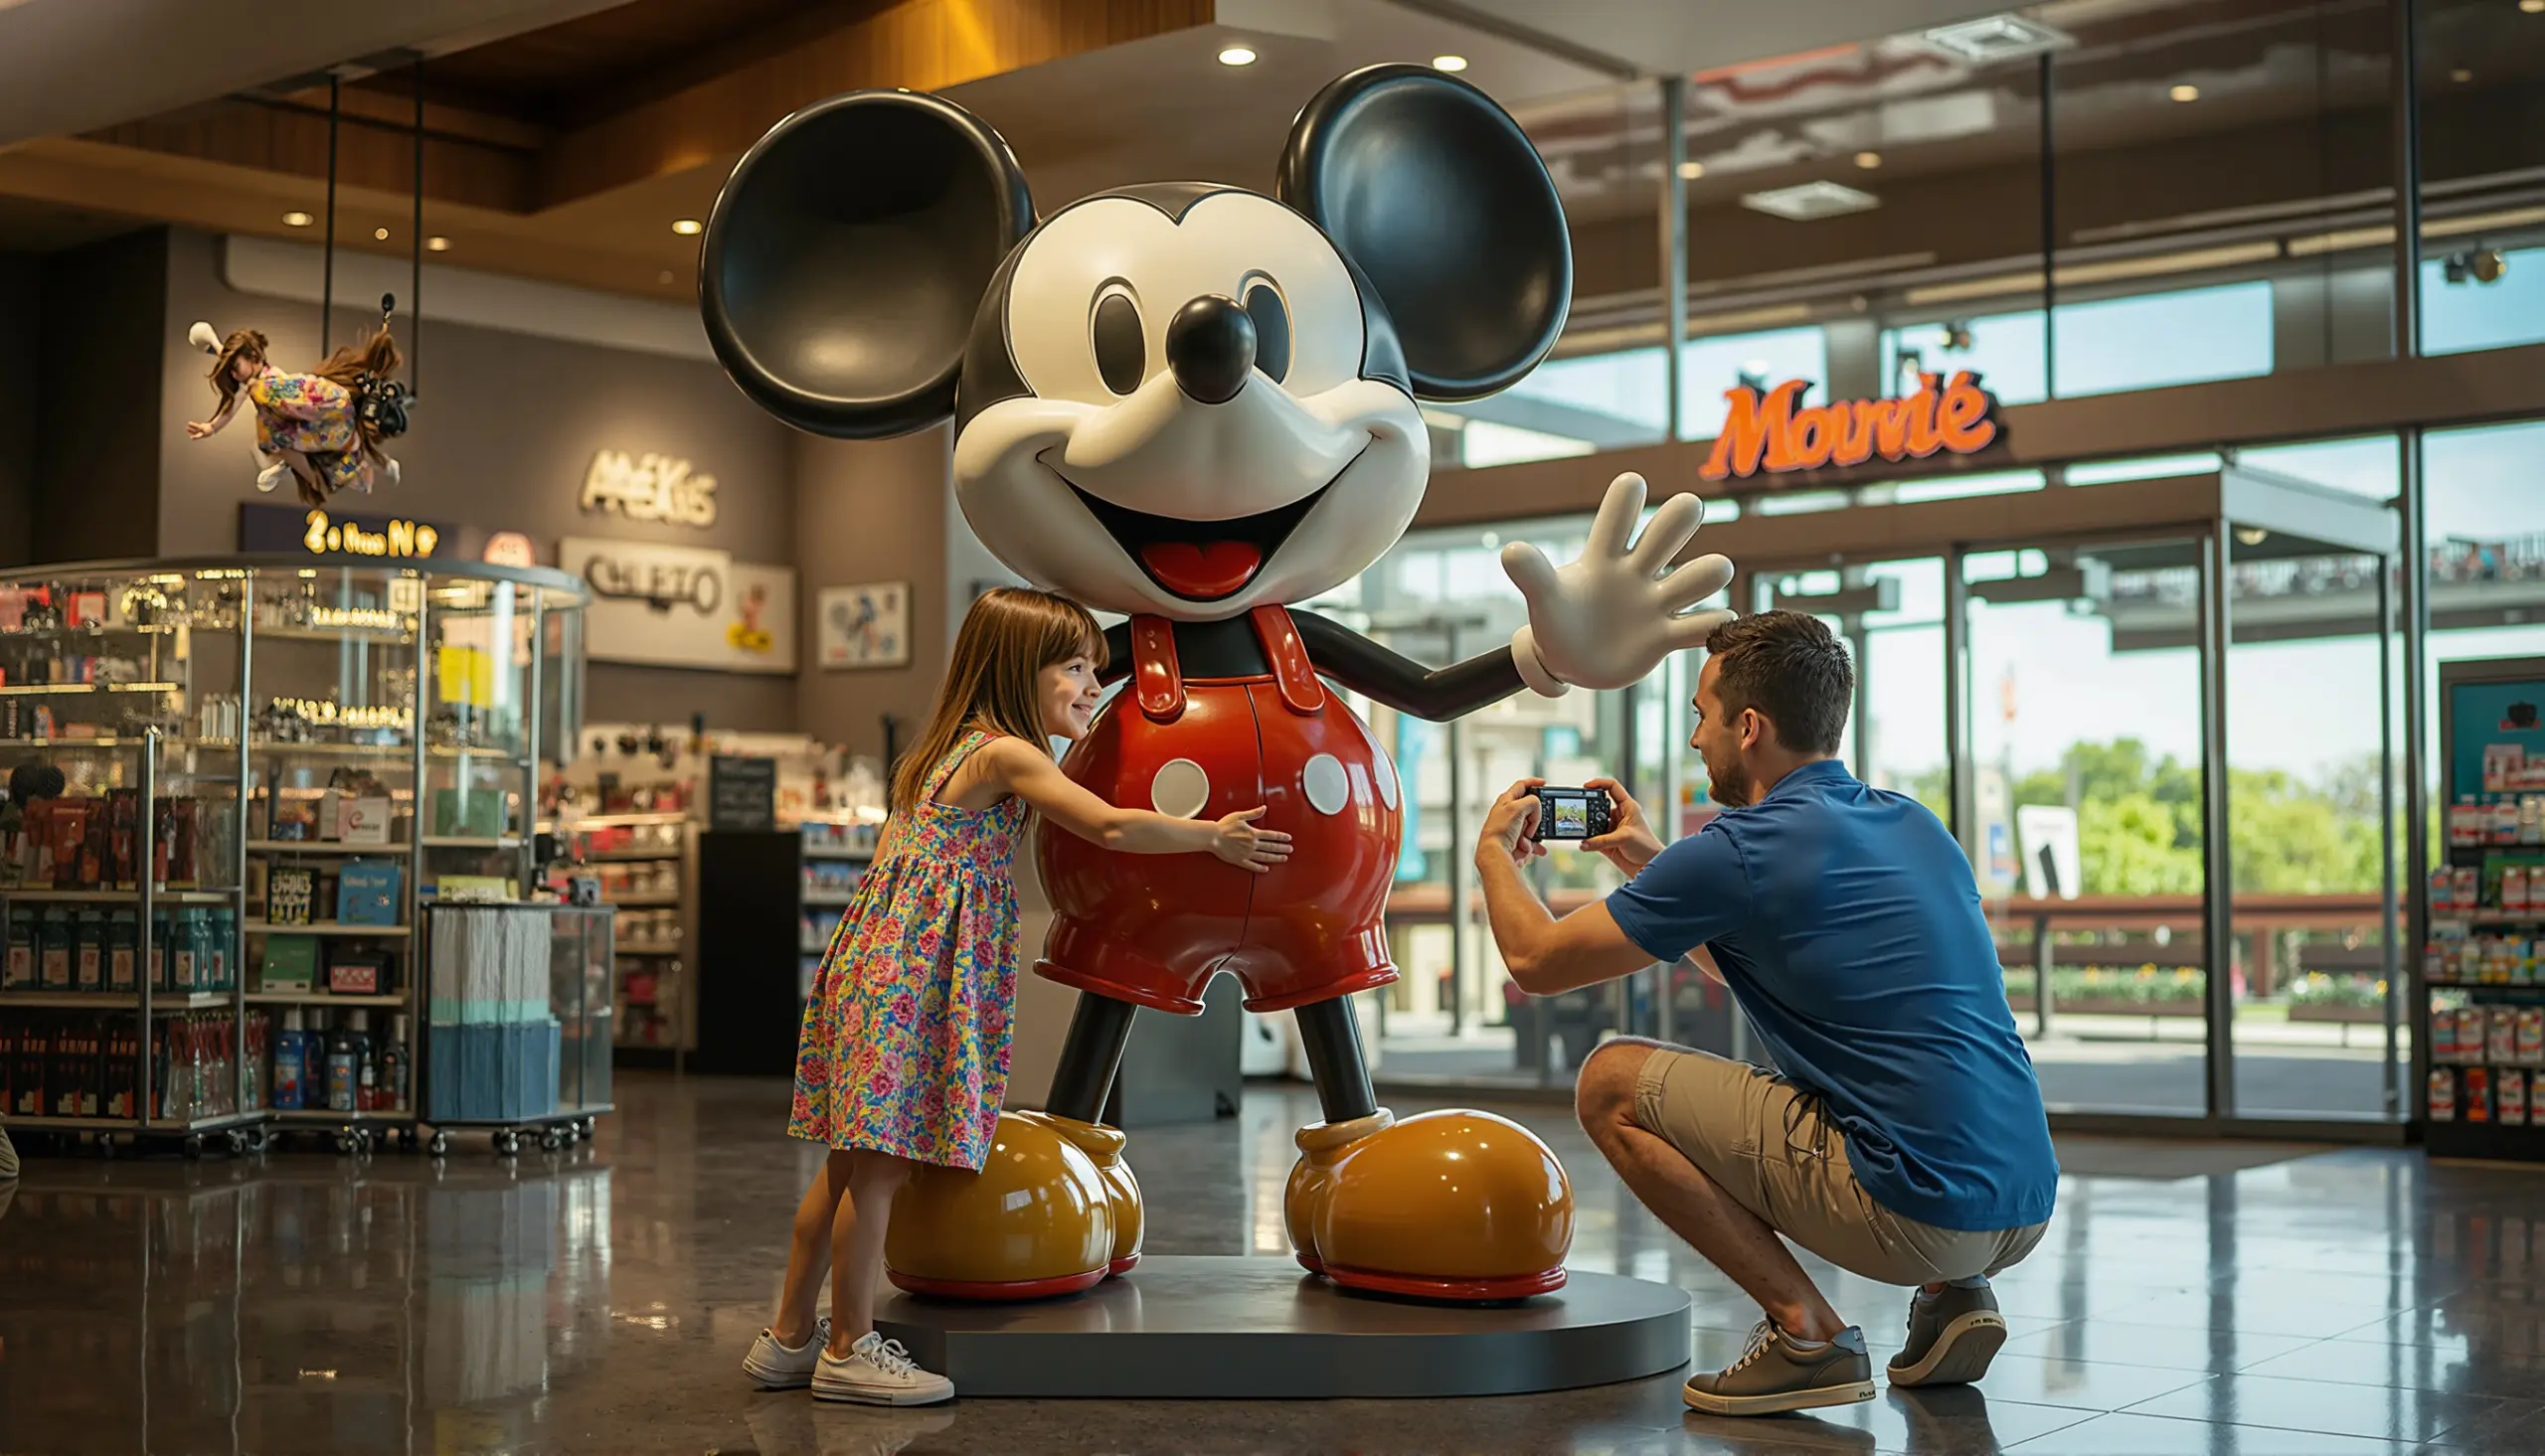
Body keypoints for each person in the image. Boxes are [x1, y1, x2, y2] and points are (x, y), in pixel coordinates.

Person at [1472, 610, 2057, 1418]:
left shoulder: (1739, 847)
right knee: (1905, 1073)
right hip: (2025, 1198)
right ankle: (1957, 1296)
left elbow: (1537, 962)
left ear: (1749, 726)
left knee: (1609, 1080)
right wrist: (1648, 858)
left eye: (1702, 716)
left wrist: (1495, 856)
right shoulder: (1914, 823)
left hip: (1915, 1208)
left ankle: (1806, 1334)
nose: (1693, 740)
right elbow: (1774, 962)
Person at [743, 587, 1292, 1405]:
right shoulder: (1005, 753)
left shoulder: (937, 751)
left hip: (870, 964)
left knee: (847, 1163)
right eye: (1073, 666)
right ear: (1017, 670)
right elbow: (1104, 825)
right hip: (912, 977)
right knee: (881, 1171)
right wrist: (1213, 836)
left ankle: (790, 1335)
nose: (1090, 684)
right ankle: (850, 1348)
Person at [185, 320, 405, 505]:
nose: (233, 375)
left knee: (343, 450)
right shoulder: (250, 387)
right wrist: (211, 427)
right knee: (326, 458)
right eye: (230, 370)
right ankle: (301, 471)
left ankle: (383, 464)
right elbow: (231, 407)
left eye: (236, 367)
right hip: (305, 431)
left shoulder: (270, 381)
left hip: (321, 414)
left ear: (255, 357)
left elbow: (297, 394)